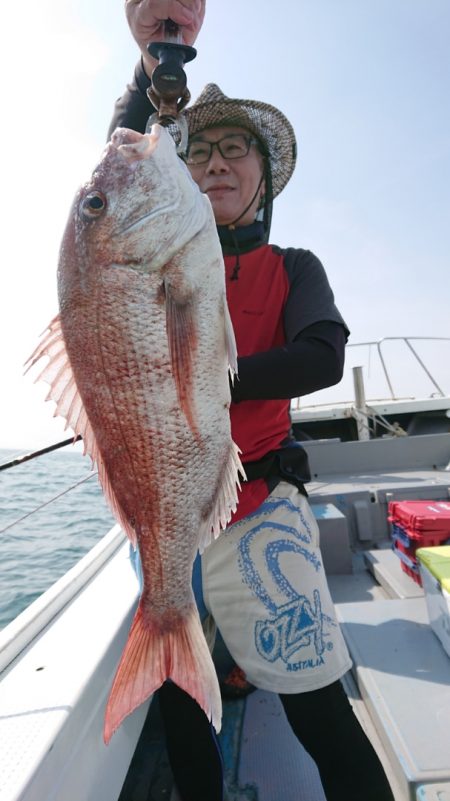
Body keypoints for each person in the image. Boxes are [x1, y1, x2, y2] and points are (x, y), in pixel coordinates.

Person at [110, 3, 396, 800]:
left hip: (261, 513)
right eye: (198, 153)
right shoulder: (155, 261)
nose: (216, 165)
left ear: (265, 178)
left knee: (320, 715)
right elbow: (117, 161)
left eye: (238, 151)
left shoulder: (295, 265)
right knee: (184, 712)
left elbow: (323, 357)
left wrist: (207, 379)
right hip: (162, 524)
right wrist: (150, 62)